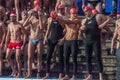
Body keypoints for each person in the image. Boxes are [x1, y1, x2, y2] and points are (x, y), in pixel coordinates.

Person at [80, 6, 111, 80]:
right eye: (84, 11)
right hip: (88, 42)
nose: (85, 13)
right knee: (88, 58)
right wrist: (81, 31)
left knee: (98, 58)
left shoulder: (97, 17)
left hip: (96, 41)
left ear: (90, 11)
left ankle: (100, 76)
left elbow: (110, 19)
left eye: (87, 11)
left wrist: (104, 39)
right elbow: (80, 34)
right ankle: (90, 75)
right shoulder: (84, 21)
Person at [57, 8, 81, 80]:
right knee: (66, 58)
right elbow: (65, 29)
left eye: (76, 13)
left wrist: (60, 19)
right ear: (70, 14)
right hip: (67, 41)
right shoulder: (67, 20)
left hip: (74, 40)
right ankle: (67, 74)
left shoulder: (77, 20)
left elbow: (69, 22)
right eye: (73, 13)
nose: (75, 15)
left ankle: (74, 75)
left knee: (74, 58)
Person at [23, 10, 45, 79]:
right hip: (32, 39)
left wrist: (40, 18)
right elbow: (23, 25)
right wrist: (29, 16)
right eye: (35, 13)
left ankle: (38, 73)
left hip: (39, 39)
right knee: (29, 57)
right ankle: (29, 73)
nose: (36, 14)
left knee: (39, 57)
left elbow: (41, 28)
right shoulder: (31, 18)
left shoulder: (44, 18)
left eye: (37, 13)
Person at [43, 10, 64, 79]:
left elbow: (65, 28)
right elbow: (48, 29)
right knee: (48, 57)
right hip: (52, 39)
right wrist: (45, 37)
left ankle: (61, 73)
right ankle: (47, 73)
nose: (53, 19)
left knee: (60, 57)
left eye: (54, 18)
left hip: (59, 39)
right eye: (53, 18)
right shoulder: (50, 20)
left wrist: (63, 38)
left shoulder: (60, 19)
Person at [5, 12, 26, 78]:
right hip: (11, 42)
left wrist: (23, 44)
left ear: (15, 17)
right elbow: (8, 35)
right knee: (7, 57)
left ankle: (19, 73)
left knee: (17, 58)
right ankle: (14, 70)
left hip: (18, 42)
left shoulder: (19, 25)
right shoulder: (9, 25)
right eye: (11, 17)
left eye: (13, 16)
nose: (12, 18)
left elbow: (25, 34)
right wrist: (6, 42)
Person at [111, 12, 120, 80]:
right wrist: (112, 48)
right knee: (119, 65)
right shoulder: (118, 29)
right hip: (119, 47)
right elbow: (114, 39)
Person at [0, 11, 6, 75]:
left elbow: (4, 33)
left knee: (0, 57)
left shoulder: (1, 23)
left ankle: (0, 72)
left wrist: (2, 42)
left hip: (0, 40)